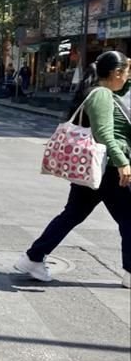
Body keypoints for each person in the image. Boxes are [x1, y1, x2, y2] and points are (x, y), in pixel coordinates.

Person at [15, 51, 131, 289]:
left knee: (72, 215)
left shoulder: (105, 92)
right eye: (126, 72)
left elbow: (122, 91)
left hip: (95, 169)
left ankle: (33, 258)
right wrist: (122, 162)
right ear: (115, 73)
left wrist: (126, 68)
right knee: (129, 220)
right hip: (107, 169)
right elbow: (103, 133)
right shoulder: (101, 95)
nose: (128, 77)